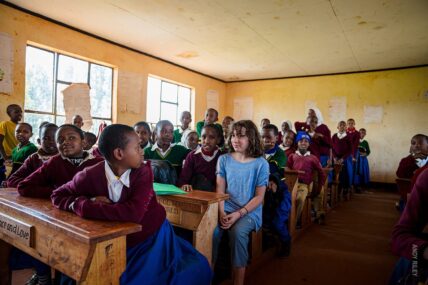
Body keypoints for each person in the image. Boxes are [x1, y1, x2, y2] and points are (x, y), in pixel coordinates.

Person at [51, 124, 212, 285]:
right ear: (119, 153)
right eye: (137, 148)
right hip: (114, 241)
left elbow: (133, 214)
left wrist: (88, 207)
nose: (142, 151)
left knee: (185, 272)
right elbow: (57, 195)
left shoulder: (143, 171)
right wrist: (79, 204)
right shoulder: (89, 175)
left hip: (151, 237)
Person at [212, 120, 269, 285]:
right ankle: (208, 275)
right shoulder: (224, 159)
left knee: (237, 233)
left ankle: (238, 281)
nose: (236, 140)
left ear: (251, 138)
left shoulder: (261, 164)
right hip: (225, 207)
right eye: (234, 136)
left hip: (250, 211)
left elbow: (259, 197)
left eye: (241, 136)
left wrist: (238, 214)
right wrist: (222, 212)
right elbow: (220, 190)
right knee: (211, 231)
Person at [17, 124, 103, 198]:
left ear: (83, 143)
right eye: (60, 140)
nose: (65, 142)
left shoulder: (99, 163)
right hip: (60, 211)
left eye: (71, 138)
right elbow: (24, 186)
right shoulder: (54, 162)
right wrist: (59, 192)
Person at [391, 168, 428, 284]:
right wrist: (423, 250)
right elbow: (398, 238)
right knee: (413, 266)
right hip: (422, 257)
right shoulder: (426, 178)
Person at [261, 124, 291, 257]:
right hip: (264, 192)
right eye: (262, 137)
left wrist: (261, 153)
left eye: (268, 137)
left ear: (277, 137)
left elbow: (270, 171)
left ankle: (286, 242)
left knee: (278, 222)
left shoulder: (280, 153)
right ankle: (268, 241)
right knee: (264, 220)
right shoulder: (257, 152)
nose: (265, 140)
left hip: (280, 193)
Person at [286, 131, 326, 226]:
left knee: (299, 198)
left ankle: (293, 223)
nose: (303, 143)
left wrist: (319, 186)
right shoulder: (292, 156)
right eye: (301, 141)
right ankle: (284, 221)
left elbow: (321, 173)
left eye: (306, 141)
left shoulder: (313, 158)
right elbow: (287, 168)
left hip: (304, 185)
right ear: (297, 143)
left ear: (309, 144)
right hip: (292, 184)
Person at [7, 123, 58, 187]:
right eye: (46, 138)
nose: (51, 142)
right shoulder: (33, 158)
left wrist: (28, 184)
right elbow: (12, 180)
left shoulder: (65, 159)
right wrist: (36, 183)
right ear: (39, 141)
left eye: (55, 138)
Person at [177, 124, 222, 192]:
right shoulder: (192, 156)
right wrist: (184, 185)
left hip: (215, 196)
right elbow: (183, 180)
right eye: (204, 137)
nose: (206, 141)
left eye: (211, 137)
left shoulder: (222, 157)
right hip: (195, 195)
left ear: (218, 140)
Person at [0, 104, 22, 184]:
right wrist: (5, 158)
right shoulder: (5, 124)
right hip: (7, 157)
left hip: (17, 157)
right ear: (10, 114)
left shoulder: (20, 127)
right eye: (16, 112)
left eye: (21, 112)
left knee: (14, 180)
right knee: (4, 179)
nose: (20, 113)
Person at [332, 121, 354, 198]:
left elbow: (350, 150)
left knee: (345, 174)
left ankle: (345, 189)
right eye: (340, 125)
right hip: (335, 159)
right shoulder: (334, 136)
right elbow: (331, 147)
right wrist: (334, 157)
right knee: (335, 174)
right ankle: (337, 190)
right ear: (337, 127)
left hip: (345, 159)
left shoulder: (348, 137)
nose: (342, 126)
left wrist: (343, 158)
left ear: (346, 128)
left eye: (344, 125)